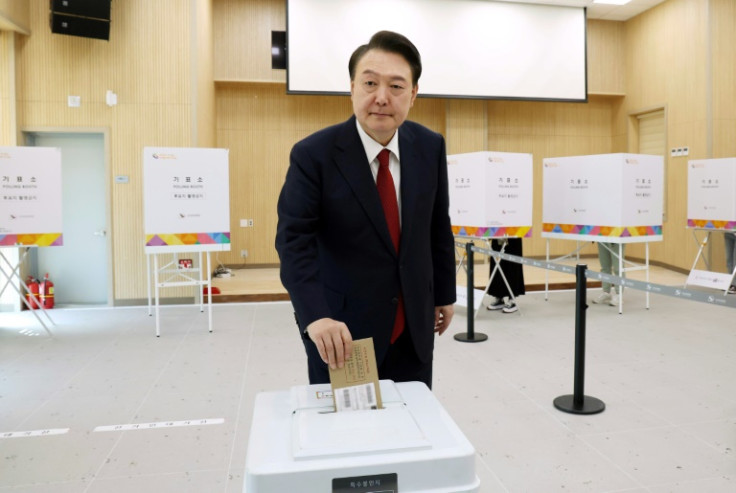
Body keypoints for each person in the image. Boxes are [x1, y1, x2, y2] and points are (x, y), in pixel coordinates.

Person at [275, 31, 456, 389]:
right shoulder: (314, 155)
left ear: (414, 93)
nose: (381, 98)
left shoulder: (430, 146)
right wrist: (316, 317)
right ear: (352, 87)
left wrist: (445, 294)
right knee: (347, 436)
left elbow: (437, 225)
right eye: (370, 83)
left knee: (412, 426)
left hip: (414, 325)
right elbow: (294, 243)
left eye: (397, 86)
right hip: (342, 331)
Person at [485, 238, 525, 313]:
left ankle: (512, 299)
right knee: (496, 263)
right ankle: (499, 297)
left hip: (513, 232)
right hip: (497, 230)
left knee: (511, 263)